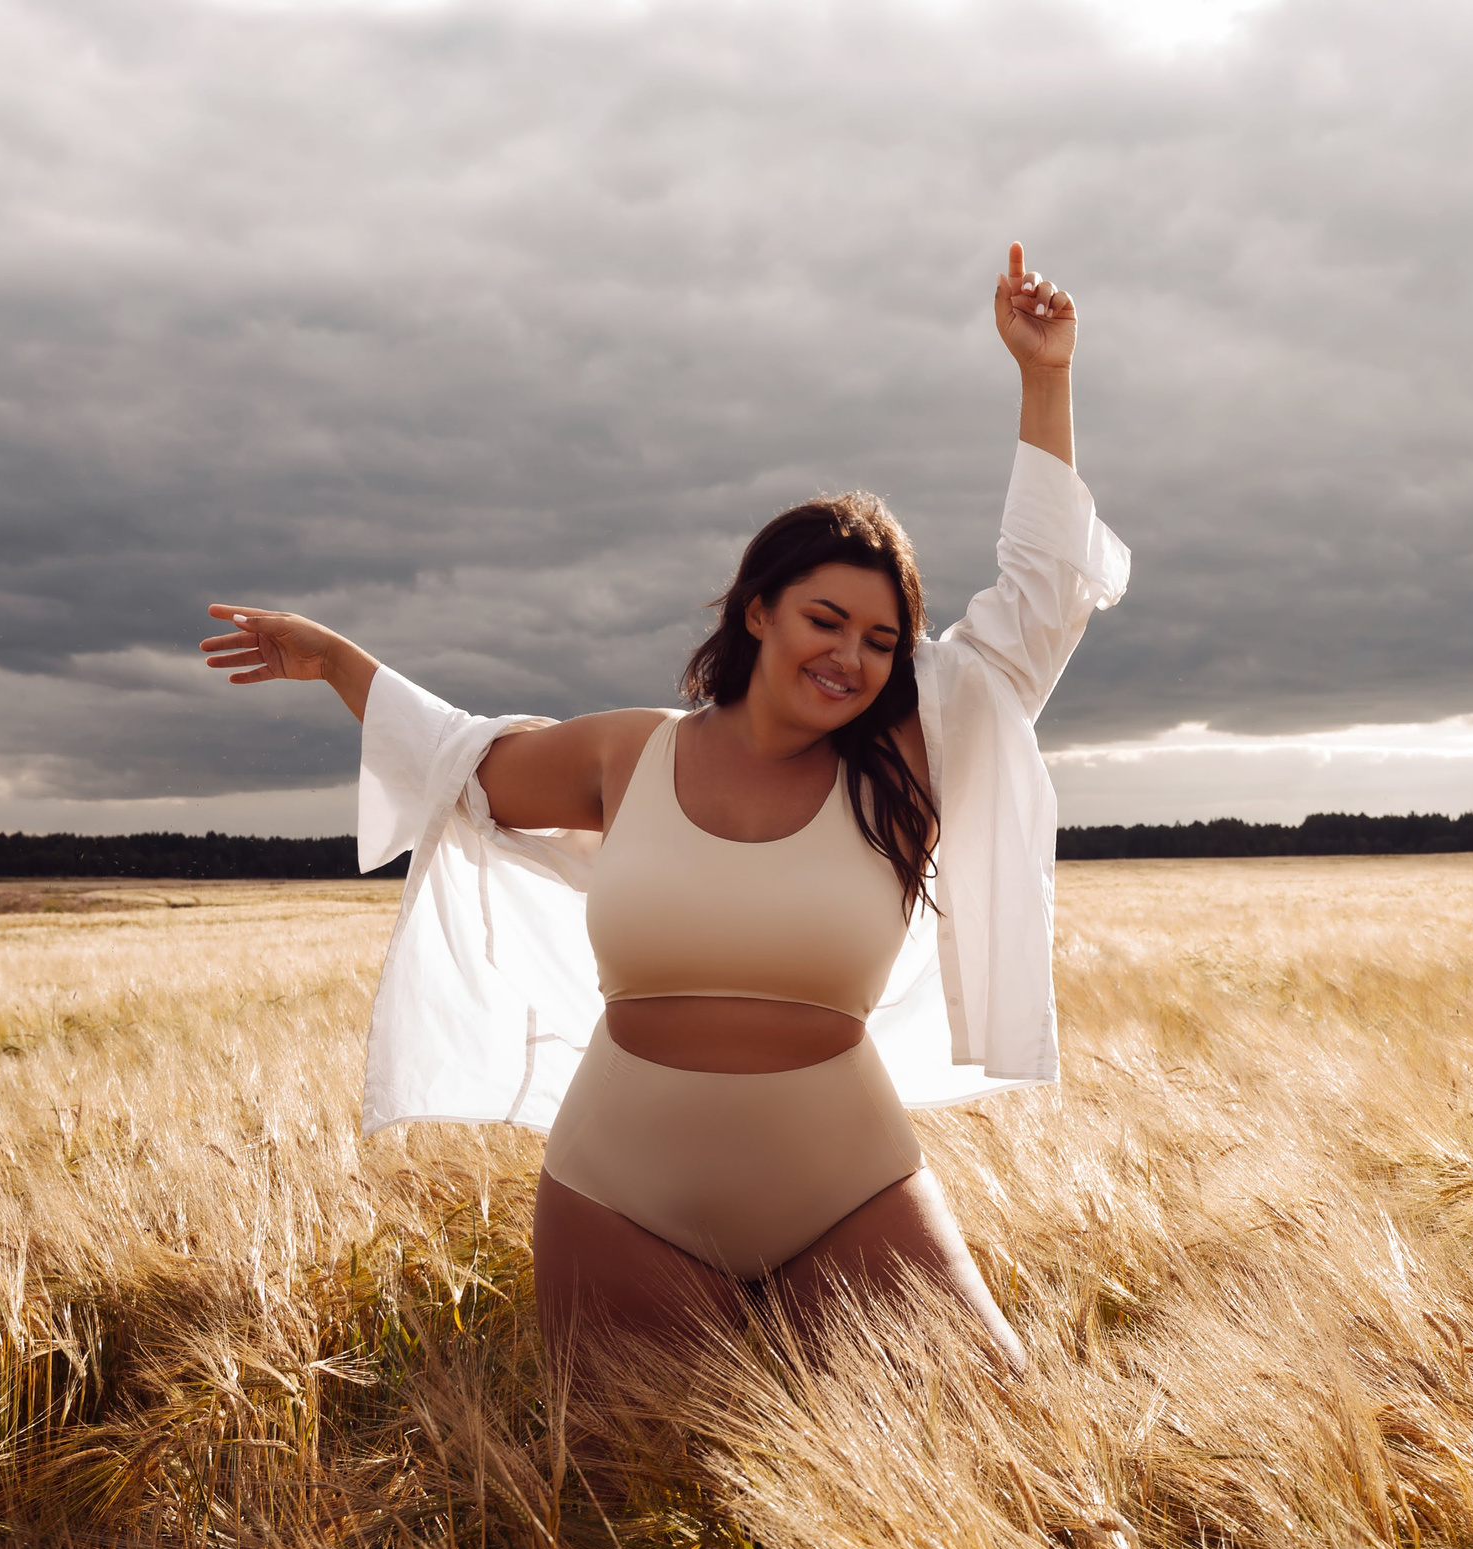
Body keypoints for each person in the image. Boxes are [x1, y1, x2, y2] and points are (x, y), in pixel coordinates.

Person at [199, 246, 1126, 1377]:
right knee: (630, 1507)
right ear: (755, 614)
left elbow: (1040, 602)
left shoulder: (907, 760)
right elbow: (463, 764)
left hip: (845, 1177)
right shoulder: (629, 753)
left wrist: (1045, 377)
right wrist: (341, 663)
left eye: (882, 640)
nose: (851, 656)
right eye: (824, 620)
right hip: (619, 1191)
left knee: (998, 1429)